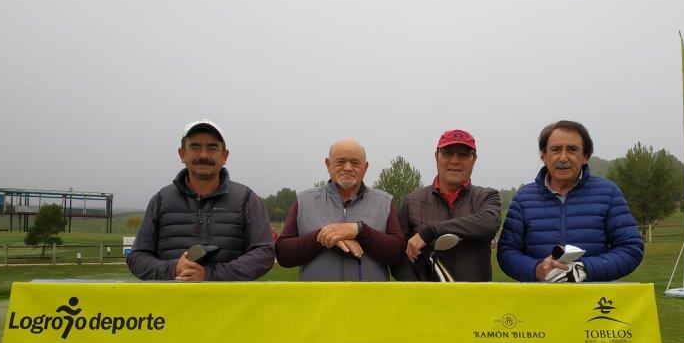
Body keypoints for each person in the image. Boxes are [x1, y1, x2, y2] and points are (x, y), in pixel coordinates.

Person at [127, 120, 275, 281]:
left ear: (224, 156)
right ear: (182, 154)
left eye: (212, 147)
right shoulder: (161, 200)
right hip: (172, 304)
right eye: (195, 147)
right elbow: (137, 257)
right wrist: (173, 268)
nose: (203, 155)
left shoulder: (247, 199)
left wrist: (210, 275)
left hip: (231, 304)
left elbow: (263, 254)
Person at [497, 120, 643, 282]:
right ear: (543, 156)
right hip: (538, 299)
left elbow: (630, 249)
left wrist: (583, 269)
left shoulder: (608, 193)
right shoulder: (523, 198)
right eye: (555, 149)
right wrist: (537, 269)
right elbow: (507, 253)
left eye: (572, 150)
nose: (563, 157)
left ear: (585, 156)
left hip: (592, 300)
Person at [275, 139, 406, 281]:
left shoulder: (384, 202)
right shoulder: (304, 201)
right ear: (328, 164)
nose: (348, 167)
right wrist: (324, 237)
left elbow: (397, 254)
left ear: (365, 167)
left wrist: (360, 231)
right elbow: (283, 254)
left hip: (368, 301)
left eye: (355, 163)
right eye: (340, 162)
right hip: (317, 301)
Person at [392, 129, 501, 282]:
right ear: (437, 157)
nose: (455, 160)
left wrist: (432, 231)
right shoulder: (412, 201)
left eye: (463, 154)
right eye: (448, 153)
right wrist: (418, 287)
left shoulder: (486, 196)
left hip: (475, 299)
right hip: (428, 300)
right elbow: (398, 256)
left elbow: (490, 223)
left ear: (474, 160)